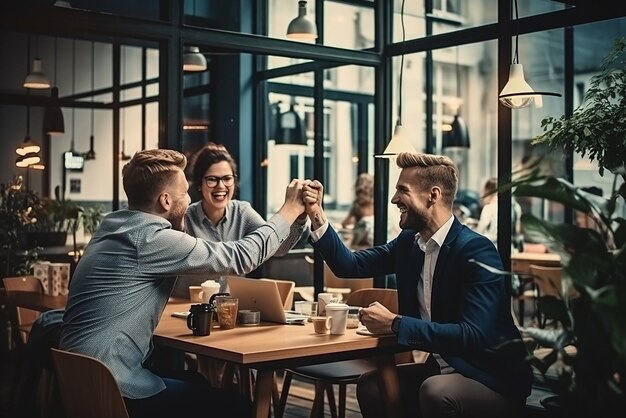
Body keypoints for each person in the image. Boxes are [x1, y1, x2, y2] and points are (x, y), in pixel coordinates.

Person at [59, 148, 308, 418]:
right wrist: (290, 210)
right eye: (185, 192)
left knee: (197, 383)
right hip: (114, 388)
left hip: (79, 381)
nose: (189, 199)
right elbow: (239, 258)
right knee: (238, 408)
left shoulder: (112, 227)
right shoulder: (150, 239)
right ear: (166, 201)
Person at [302, 152, 532, 418]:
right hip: (443, 369)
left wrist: (395, 323)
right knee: (371, 385)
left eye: (402, 190)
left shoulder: (476, 250)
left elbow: (473, 336)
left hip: (492, 377)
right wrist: (317, 216)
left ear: (432, 195)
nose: (394, 198)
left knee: (435, 391)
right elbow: (350, 265)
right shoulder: (409, 243)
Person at [173, 142, 307, 297]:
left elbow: (276, 248)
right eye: (212, 179)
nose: (221, 186)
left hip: (227, 312)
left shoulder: (242, 213)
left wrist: (299, 219)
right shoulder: (184, 218)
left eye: (227, 179)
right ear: (199, 184)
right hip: (184, 310)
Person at [475, 177, 523, 249]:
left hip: (492, 249)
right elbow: (517, 230)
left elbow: (479, 232)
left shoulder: (488, 208)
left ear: (488, 191)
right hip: (511, 248)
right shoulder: (516, 207)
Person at [341, 172, 375, 248]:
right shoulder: (357, 206)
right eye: (359, 192)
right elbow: (345, 223)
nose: (360, 196)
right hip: (360, 246)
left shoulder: (378, 205)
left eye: (363, 192)